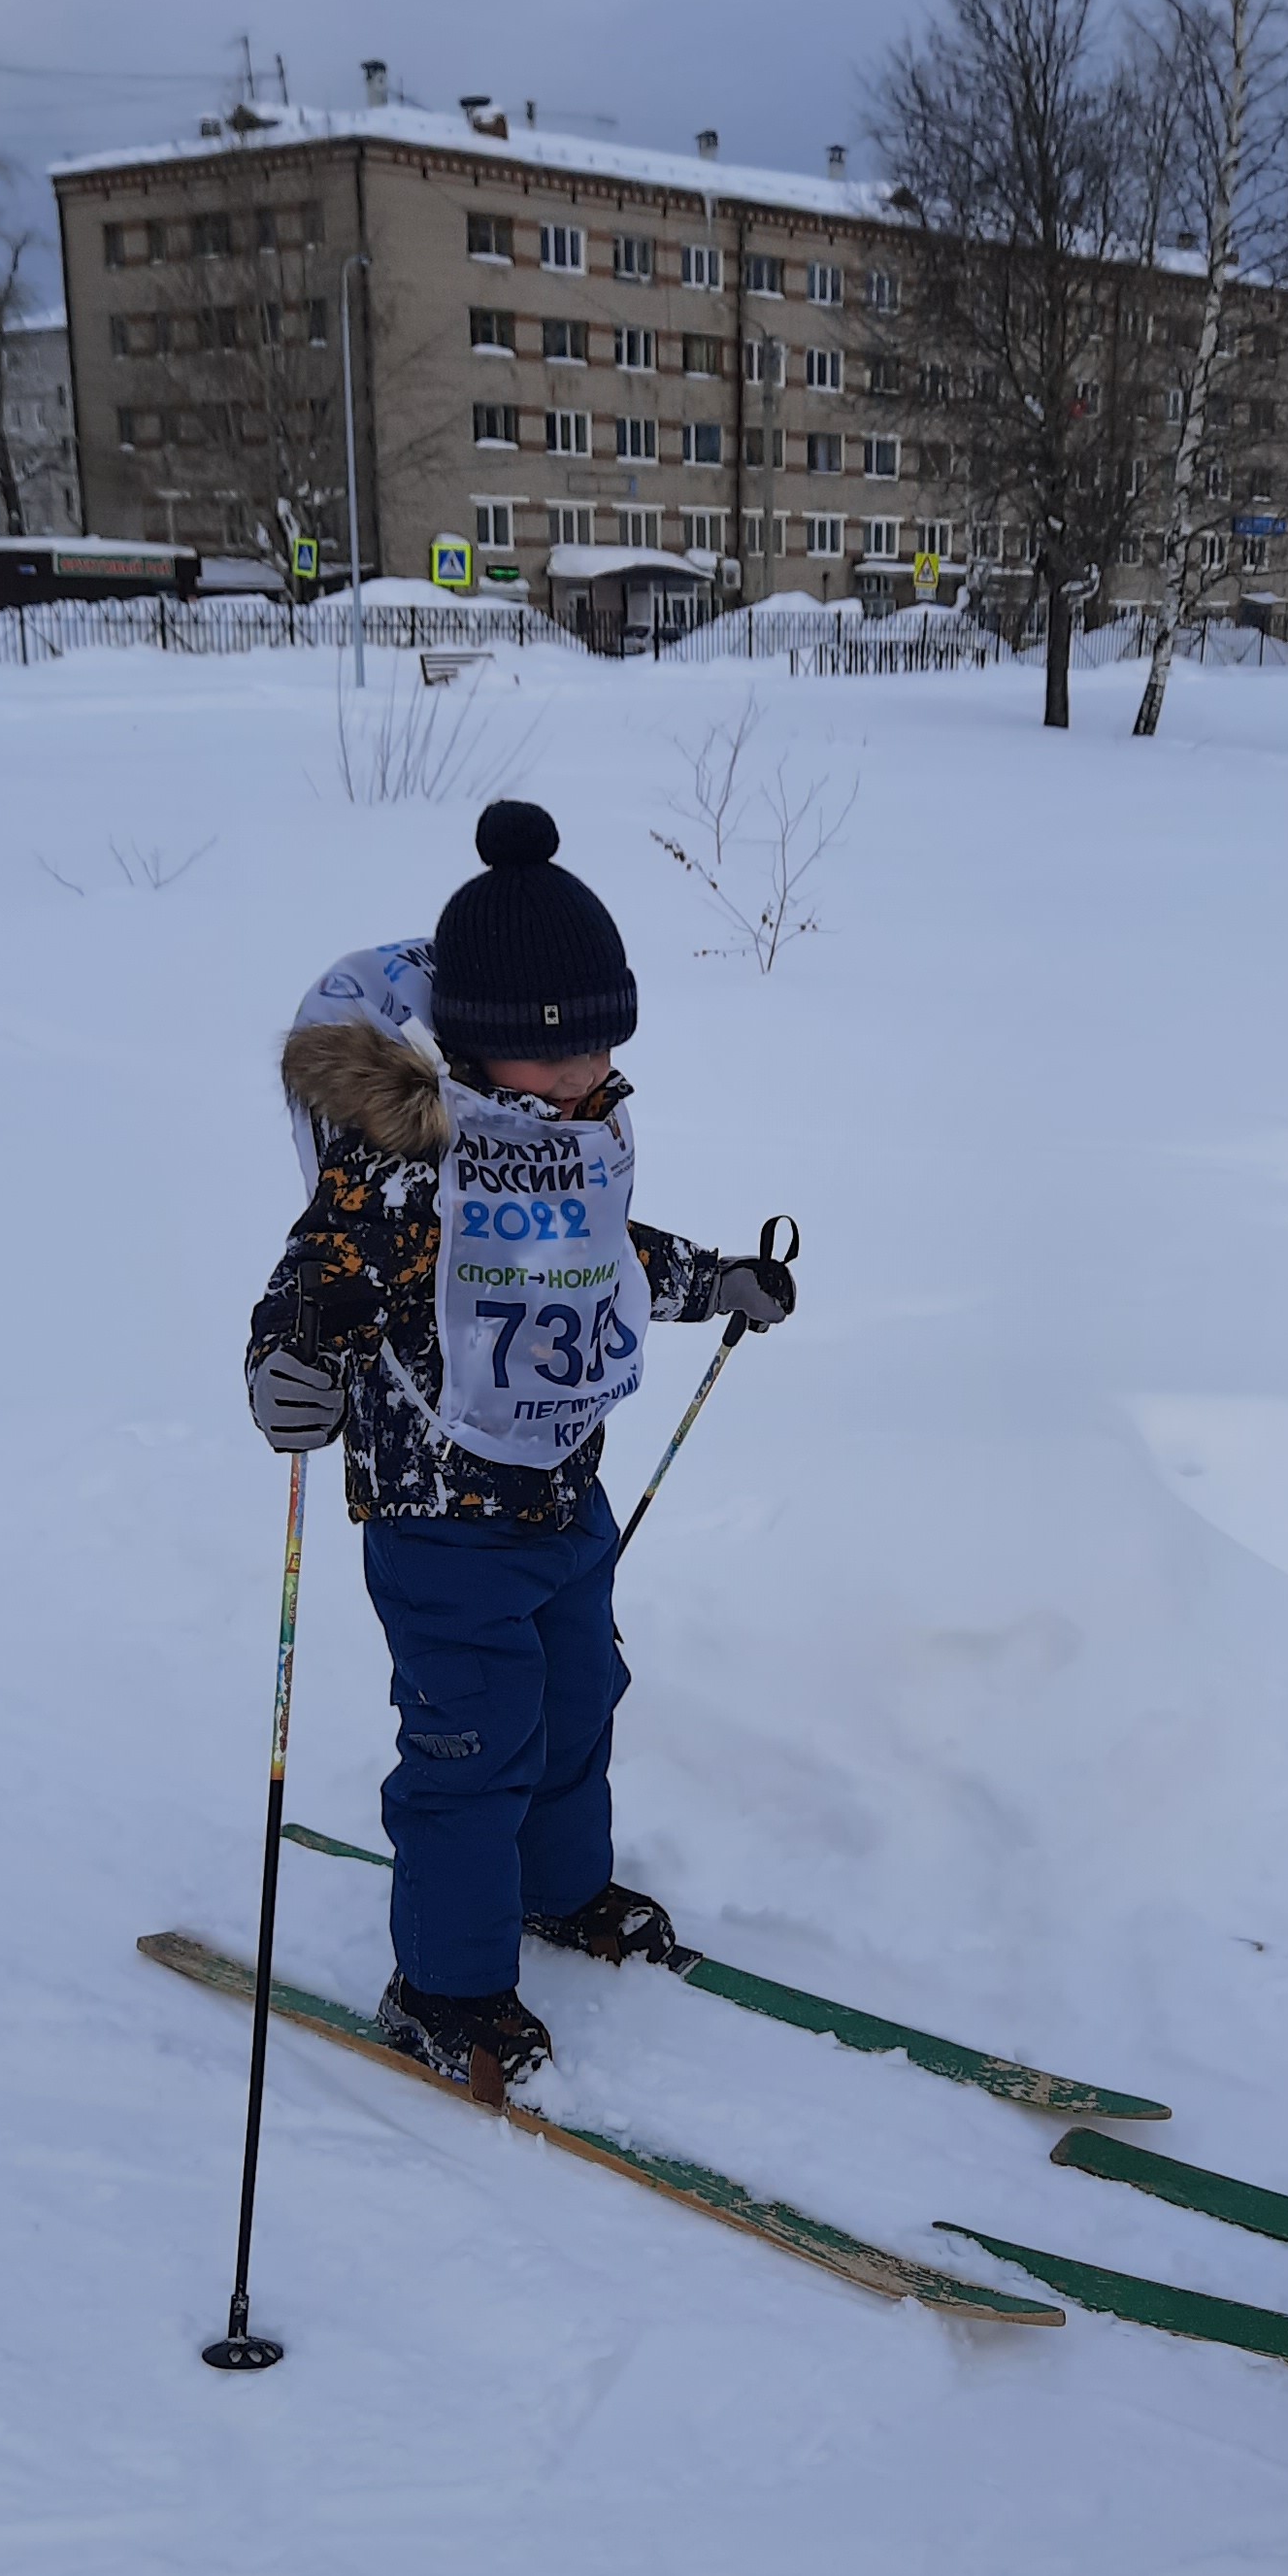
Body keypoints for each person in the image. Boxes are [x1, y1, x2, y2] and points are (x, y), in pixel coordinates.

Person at [246, 800, 796, 2097]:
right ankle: (443, 1984)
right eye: (568, 1049)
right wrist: (289, 1362)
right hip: (440, 1518)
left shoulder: (577, 1130)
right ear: (486, 1052)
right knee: (471, 1737)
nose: (595, 1065)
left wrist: (711, 1279)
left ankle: (561, 1894)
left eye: (607, 1038)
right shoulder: (401, 1169)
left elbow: (603, 1254)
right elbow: (308, 1283)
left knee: (576, 1697)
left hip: (562, 1494)